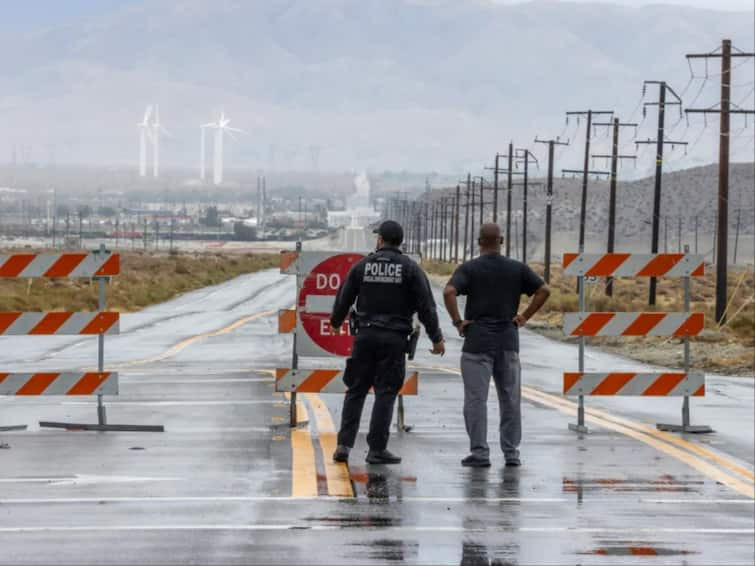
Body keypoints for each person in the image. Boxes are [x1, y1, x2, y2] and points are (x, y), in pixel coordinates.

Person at [330, 219, 445, 465]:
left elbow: (344, 297)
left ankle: (343, 445)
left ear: (380, 239)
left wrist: (336, 321)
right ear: (399, 242)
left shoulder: (363, 266)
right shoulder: (410, 268)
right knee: (386, 392)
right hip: (394, 339)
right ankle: (376, 449)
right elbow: (427, 307)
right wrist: (436, 338)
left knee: (356, 389)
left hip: (365, 336)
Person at [443, 223, 550, 468]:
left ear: (479, 241)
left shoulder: (469, 268)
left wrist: (458, 322)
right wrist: (524, 316)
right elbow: (544, 290)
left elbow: (449, 291)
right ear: (501, 241)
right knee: (510, 398)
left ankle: (480, 453)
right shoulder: (516, 268)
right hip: (507, 341)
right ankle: (511, 453)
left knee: (476, 400)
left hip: (477, 341)